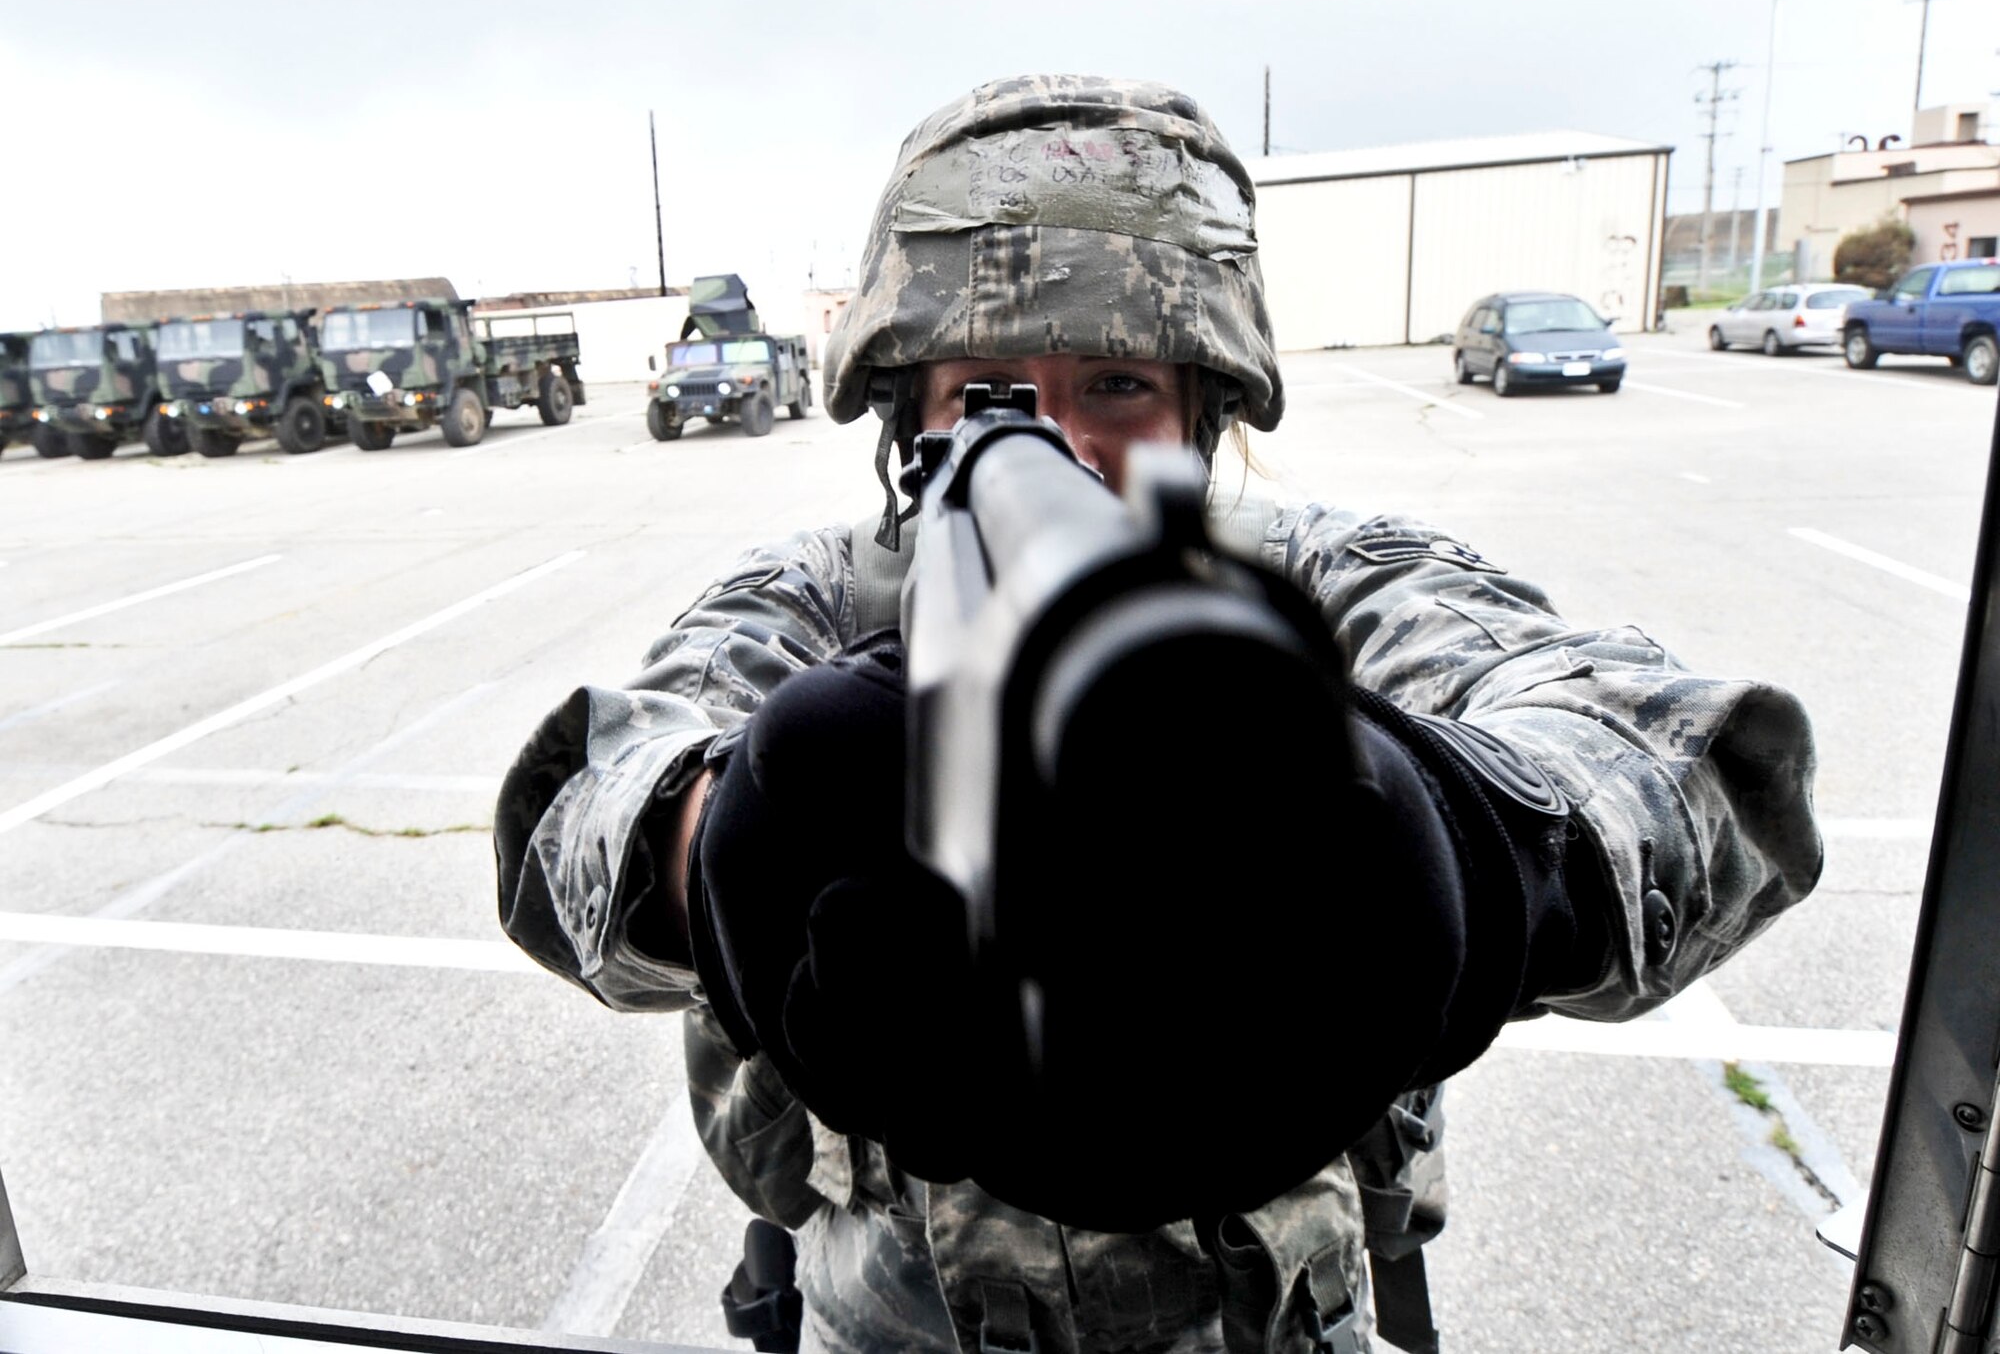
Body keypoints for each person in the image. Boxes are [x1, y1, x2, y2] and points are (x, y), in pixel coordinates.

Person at [494, 75, 1822, 1354]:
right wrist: (714, 840)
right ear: (909, 416)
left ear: (1203, 411)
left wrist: (1469, 853)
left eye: (1118, 386)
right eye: (987, 396)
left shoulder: (1320, 580)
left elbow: (1699, 764)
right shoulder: (821, 600)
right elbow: (572, 805)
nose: (1058, 448)